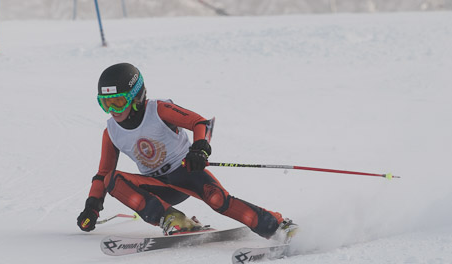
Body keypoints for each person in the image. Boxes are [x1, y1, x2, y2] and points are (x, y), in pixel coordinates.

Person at [77, 62, 297, 241]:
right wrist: (92, 207)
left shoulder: (158, 110)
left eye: (117, 102)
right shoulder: (111, 132)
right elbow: (102, 174)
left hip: (187, 171)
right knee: (112, 180)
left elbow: (201, 123)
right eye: (105, 104)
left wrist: (200, 149)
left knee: (218, 200)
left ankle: (278, 226)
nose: (112, 110)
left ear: (136, 97)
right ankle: (174, 219)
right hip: (158, 186)